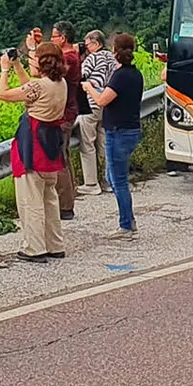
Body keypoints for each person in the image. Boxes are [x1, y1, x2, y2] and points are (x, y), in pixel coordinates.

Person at [0, 39, 69, 261]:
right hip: (51, 145)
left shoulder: (39, 87)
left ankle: (34, 247)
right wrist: (19, 66)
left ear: (42, 62)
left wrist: (5, 70)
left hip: (33, 146)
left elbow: (3, 94)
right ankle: (55, 244)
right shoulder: (60, 84)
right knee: (50, 198)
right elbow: (30, 87)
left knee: (31, 200)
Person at [86, 31, 144, 234]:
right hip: (130, 129)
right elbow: (112, 96)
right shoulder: (135, 74)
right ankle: (128, 220)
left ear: (115, 51)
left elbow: (102, 101)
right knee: (114, 177)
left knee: (118, 180)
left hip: (118, 132)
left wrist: (89, 88)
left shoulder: (120, 76)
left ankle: (126, 225)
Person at [78, 30, 120, 195]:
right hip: (107, 103)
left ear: (95, 43)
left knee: (87, 143)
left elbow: (82, 75)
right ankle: (107, 181)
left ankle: (91, 183)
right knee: (103, 143)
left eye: (87, 44)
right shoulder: (111, 57)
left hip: (92, 103)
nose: (85, 47)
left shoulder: (93, 58)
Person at [49, 22, 83, 220]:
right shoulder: (72, 56)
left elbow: (45, 72)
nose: (51, 40)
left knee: (59, 160)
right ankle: (68, 199)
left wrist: (35, 50)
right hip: (69, 112)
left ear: (62, 38)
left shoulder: (69, 58)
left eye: (53, 37)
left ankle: (65, 206)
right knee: (65, 158)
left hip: (63, 114)